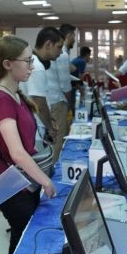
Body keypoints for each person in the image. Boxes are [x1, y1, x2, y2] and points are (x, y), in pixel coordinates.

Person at [0, 35, 57, 254]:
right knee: (21, 249)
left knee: (24, 243)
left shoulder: (15, 95)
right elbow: (17, 153)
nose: (32, 66)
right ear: (8, 64)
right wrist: (45, 181)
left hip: (26, 181)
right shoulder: (2, 101)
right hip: (14, 188)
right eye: (27, 61)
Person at [20, 27, 64, 143]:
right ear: (48, 44)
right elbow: (38, 102)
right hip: (36, 128)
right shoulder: (37, 67)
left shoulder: (31, 60)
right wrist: (50, 127)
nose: (61, 52)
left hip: (30, 124)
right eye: (59, 47)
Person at [46, 24, 75, 163]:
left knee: (51, 138)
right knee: (58, 139)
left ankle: (51, 167)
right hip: (58, 102)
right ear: (68, 36)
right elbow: (65, 85)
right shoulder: (62, 55)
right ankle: (54, 171)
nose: (74, 39)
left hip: (49, 102)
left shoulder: (50, 55)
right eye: (74, 36)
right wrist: (71, 106)